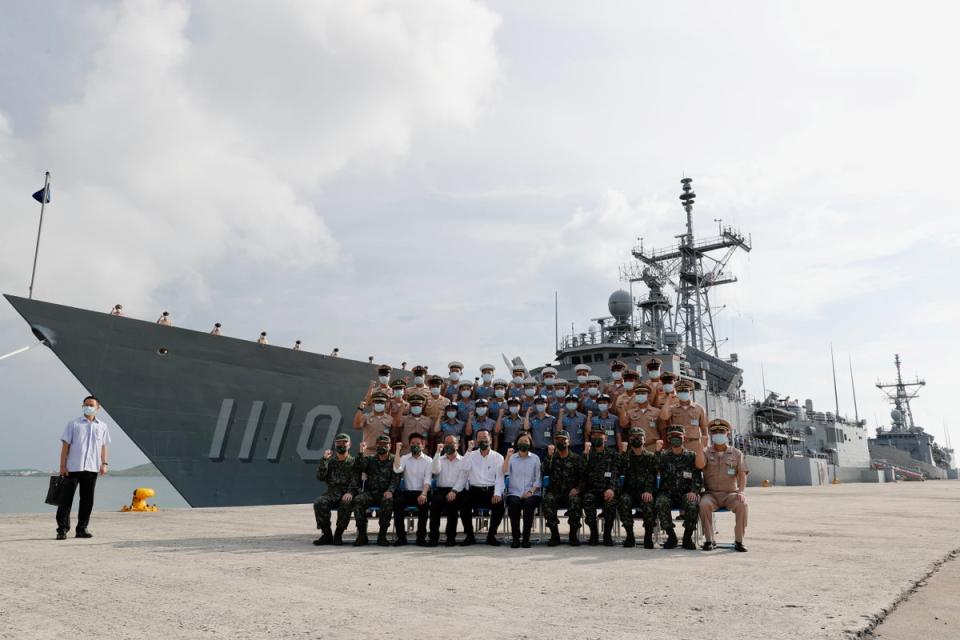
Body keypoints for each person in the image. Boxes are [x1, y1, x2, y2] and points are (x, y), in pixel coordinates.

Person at [56, 396, 111, 540]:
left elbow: (104, 446)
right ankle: (62, 530)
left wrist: (104, 463)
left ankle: (81, 529)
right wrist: (62, 465)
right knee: (65, 500)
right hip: (72, 467)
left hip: (92, 468)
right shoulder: (73, 424)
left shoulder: (103, 426)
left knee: (87, 500)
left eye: (91, 405)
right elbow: (65, 446)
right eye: (86, 404)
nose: (88, 407)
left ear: (98, 408)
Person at [699, 419, 749, 552]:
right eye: (714, 432)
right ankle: (709, 540)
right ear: (710, 435)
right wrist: (700, 447)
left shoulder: (736, 453)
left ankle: (739, 541)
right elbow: (699, 466)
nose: (718, 434)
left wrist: (741, 492)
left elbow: (742, 474)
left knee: (743, 505)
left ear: (727, 433)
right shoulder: (705, 452)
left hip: (730, 494)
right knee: (703, 505)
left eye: (721, 431)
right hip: (711, 494)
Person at [656, 424, 706, 550]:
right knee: (661, 501)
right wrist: (657, 452)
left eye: (678, 436)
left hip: (685, 493)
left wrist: (694, 491)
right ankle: (671, 536)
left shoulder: (691, 456)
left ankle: (687, 537)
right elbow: (654, 469)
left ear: (685, 439)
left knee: (692, 502)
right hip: (667, 493)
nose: (675, 439)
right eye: (672, 436)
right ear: (668, 439)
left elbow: (697, 477)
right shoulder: (663, 456)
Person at [461, 430, 506, 545]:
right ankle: (470, 536)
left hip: (490, 490)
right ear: (476, 441)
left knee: (500, 506)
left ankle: (491, 535)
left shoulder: (498, 457)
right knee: (463, 504)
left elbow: (500, 478)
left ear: (490, 440)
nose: (483, 440)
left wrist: (497, 493)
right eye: (480, 438)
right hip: (474, 490)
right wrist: (469, 450)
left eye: (485, 437)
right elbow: (464, 468)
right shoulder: (471, 455)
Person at [312, 433, 358, 546]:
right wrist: (324, 460)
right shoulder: (330, 462)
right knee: (319, 502)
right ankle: (327, 535)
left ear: (349, 444)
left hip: (347, 494)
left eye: (344, 442)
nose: (341, 444)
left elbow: (355, 480)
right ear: (335, 445)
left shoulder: (354, 462)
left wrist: (350, 492)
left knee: (346, 503)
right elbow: (320, 477)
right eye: (338, 443)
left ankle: (338, 534)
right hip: (332, 494)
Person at [352, 435, 398, 546]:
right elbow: (358, 468)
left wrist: (390, 491)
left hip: (385, 493)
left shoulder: (394, 460)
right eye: (379, 444)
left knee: (388, 501)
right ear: (376, 445)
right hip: (371, 493)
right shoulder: (370, 459)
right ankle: (362, 536)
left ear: (390, 446)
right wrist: (361, 453)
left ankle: (382, 536)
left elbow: (396, 477)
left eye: (384, 444)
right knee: (358, 500)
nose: (382, 446)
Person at [541, 430, 584, 547]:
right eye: (558, 440)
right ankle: (554, 535)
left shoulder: (576, 458)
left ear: (568, 442)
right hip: (555, 492)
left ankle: (573, 534)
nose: (560, 442)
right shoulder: (552, 458)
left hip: (571, 492)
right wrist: (549, 457)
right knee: (547, 500)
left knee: (575, 501)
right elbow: (544, 471)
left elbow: (583, 478)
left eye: (563, 440)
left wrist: (577, 489)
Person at [619, 427, 658, 548]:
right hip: (629, 491)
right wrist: (623, 453)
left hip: (645, 491)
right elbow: (620, 470)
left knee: (648, 502)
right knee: (623, 500)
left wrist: (648, 491)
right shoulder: (626, 456)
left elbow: (653, 475)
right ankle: (630, 536)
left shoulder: (650, 456)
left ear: (644, 439)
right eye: (633, 437)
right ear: (629, 439)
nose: (636, 439)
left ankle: (648, 536)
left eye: (639, 437)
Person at [392, 435, 432, 546]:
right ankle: (401, 538)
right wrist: (398, 451)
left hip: (422, 492)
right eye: (413, 443)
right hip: (408, 492)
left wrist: (424, 494)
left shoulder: (428, 460)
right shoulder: (404, 458)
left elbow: (428, 479)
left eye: (418, 443)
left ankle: (421, 538)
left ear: (423, 445)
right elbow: (396, 469)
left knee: (424, 507)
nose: (415, 445)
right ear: (409, 445)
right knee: (397, 504)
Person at [503, 433, 541, 548]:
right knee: (514, 505)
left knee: (529, 505)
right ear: (516, 443)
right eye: (521, 441)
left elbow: (538, 478)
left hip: (532, 493)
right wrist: (507, 457)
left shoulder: (535, 458)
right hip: (515, 492)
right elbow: (504, 472)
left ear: (530, 443)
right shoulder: (512, 457)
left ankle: (526, 538)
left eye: (526, 441)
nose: (523, 443)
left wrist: (531, 492)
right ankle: (515, 537)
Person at [430, 435, 469, 546]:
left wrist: (454, 491)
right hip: (441, 490)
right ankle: (433, 537)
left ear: (457, 445)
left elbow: (463, 479)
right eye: (446, 443)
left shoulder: (463, 461)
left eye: (452, 443)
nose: (449, 445)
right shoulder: (439, 459)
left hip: (457, 490)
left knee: (453, 507)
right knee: (434, 505)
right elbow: (434, 470)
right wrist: (438, 452)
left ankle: (450, 537)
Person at [581, 433, 619, 546]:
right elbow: (582, 474)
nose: (596, 438)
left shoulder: (612, 454)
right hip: (592, 490)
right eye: (594, 436)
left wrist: (611, 489)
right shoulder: (588, 454)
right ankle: (594, 534)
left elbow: (615, 473)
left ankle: (607, 534)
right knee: (587, 499)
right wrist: (585, 456)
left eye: (600, 436)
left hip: (607, 490)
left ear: (605, 438)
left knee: (611, 503)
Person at [659, 379, 708, 456]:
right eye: (680, 391)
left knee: (695, 467)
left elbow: (704, 429)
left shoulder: (699, 409)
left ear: (690, 393)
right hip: (677, 444)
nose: (683, 393)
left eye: (685, 391)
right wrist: (668, 399)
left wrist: (704, 446)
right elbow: (663, 417)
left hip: (694, 444)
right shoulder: (672, 408)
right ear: (677, 393)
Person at [620, 382, 664, 453]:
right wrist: (623, 408)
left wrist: (661, 446)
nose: (640, 395)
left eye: (643, 393)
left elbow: (662, 430)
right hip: (636, 447)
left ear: (648, 396)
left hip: (652, 446)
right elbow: (623, 424)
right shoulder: (630, 412)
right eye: (638, 394)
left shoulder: (657, 411)